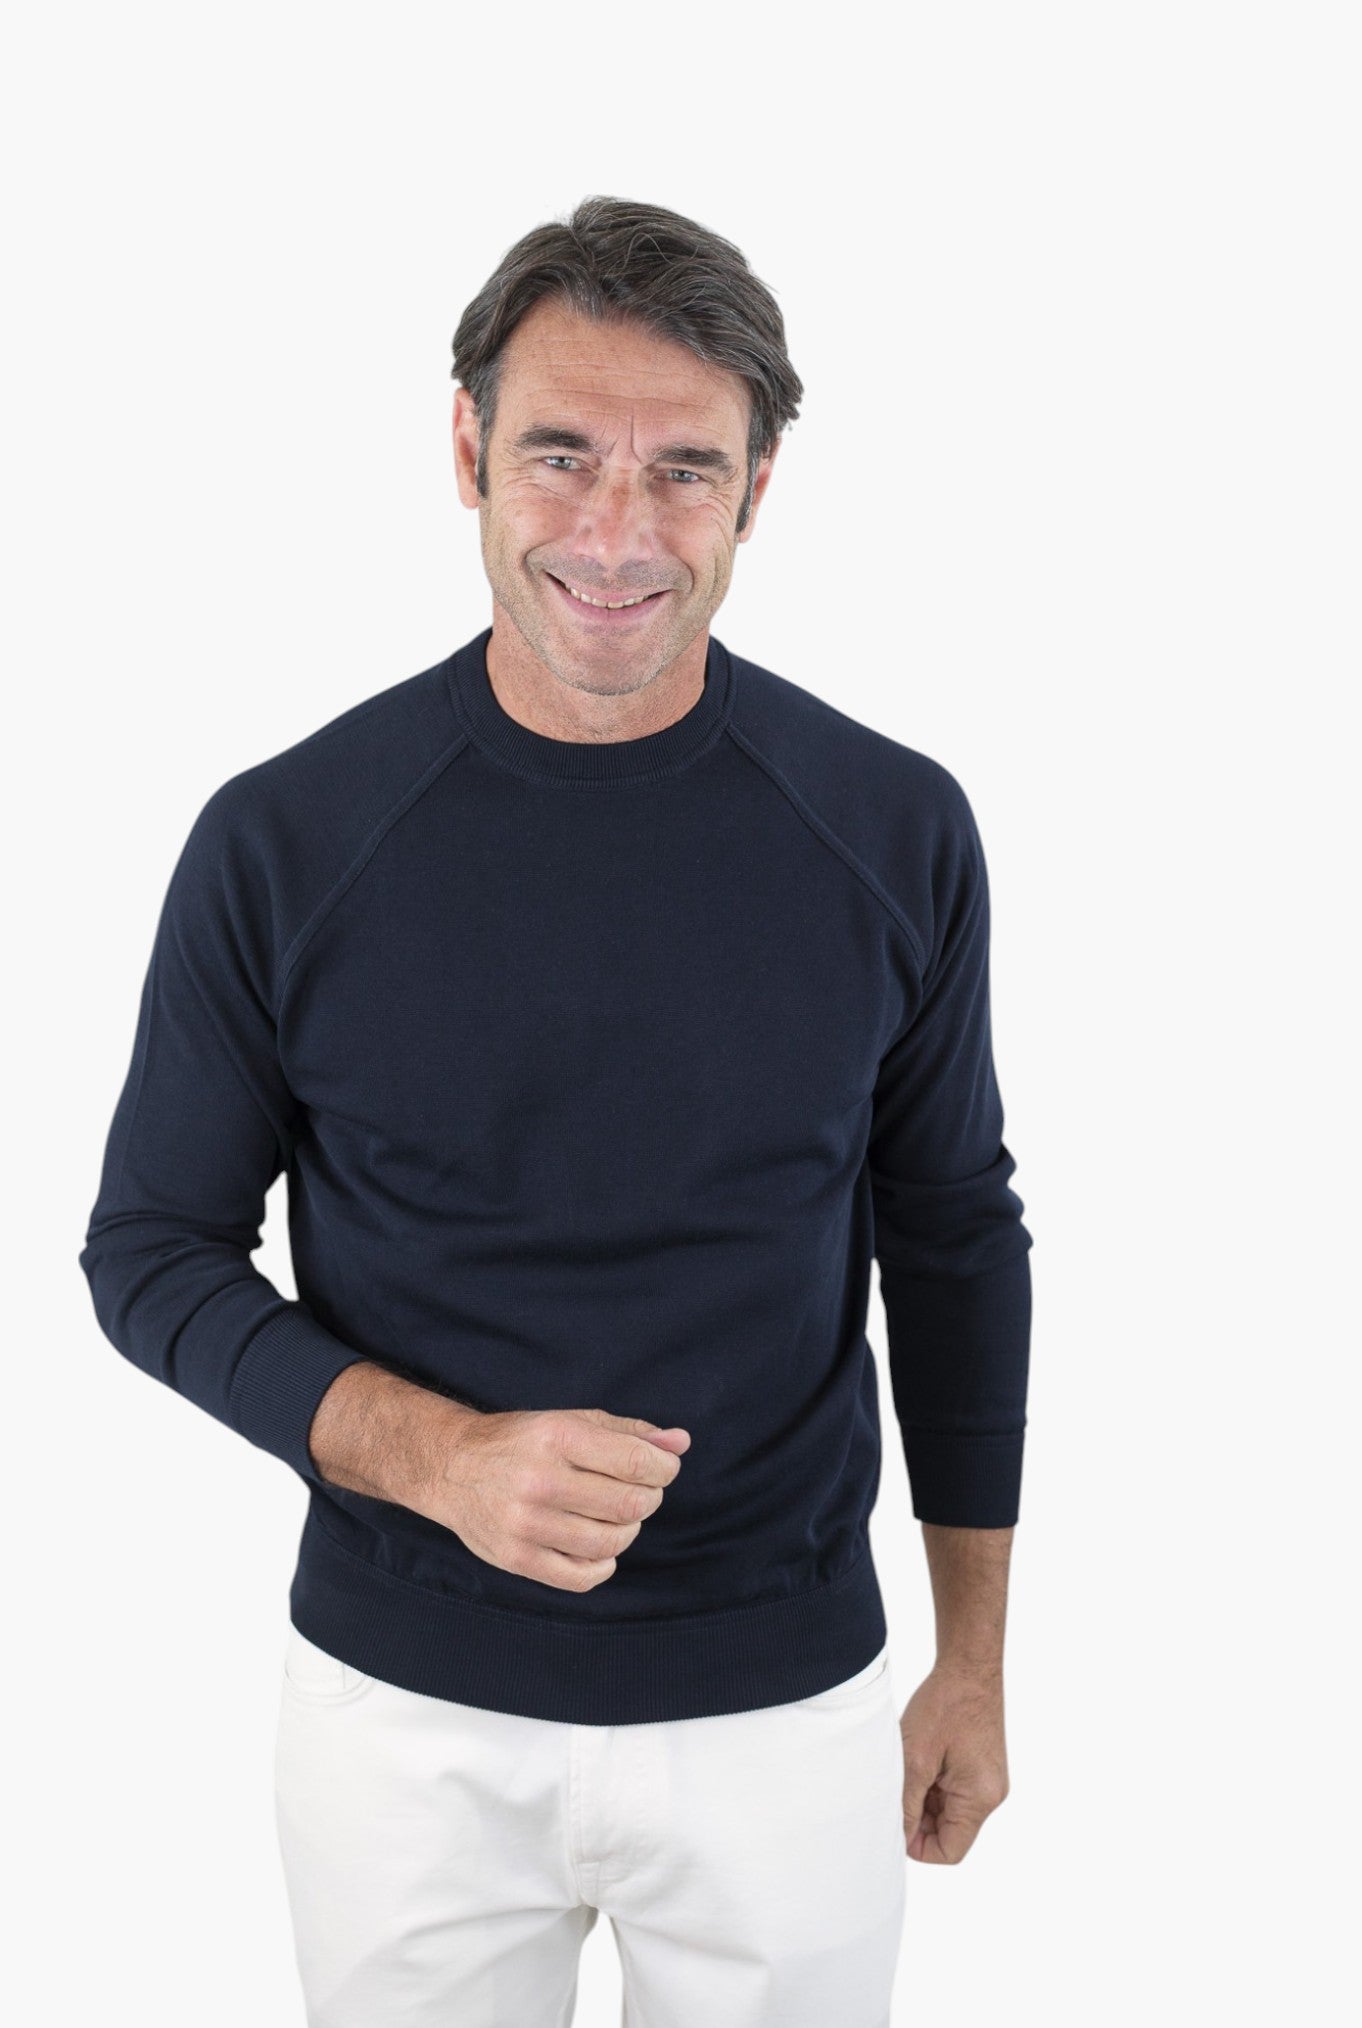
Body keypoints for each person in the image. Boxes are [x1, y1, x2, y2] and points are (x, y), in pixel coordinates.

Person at [79, 194, 1033, 2028]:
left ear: (757, 491)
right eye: (560, 455)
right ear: (465, 451)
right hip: (399, 1723)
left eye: (684, 471)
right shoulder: (284, 840)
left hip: (784, 1716)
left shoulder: (892, 826)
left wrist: (972, 1662)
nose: (615, 534)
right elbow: (151, 1252)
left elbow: (953, 1239)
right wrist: (439, 1458)